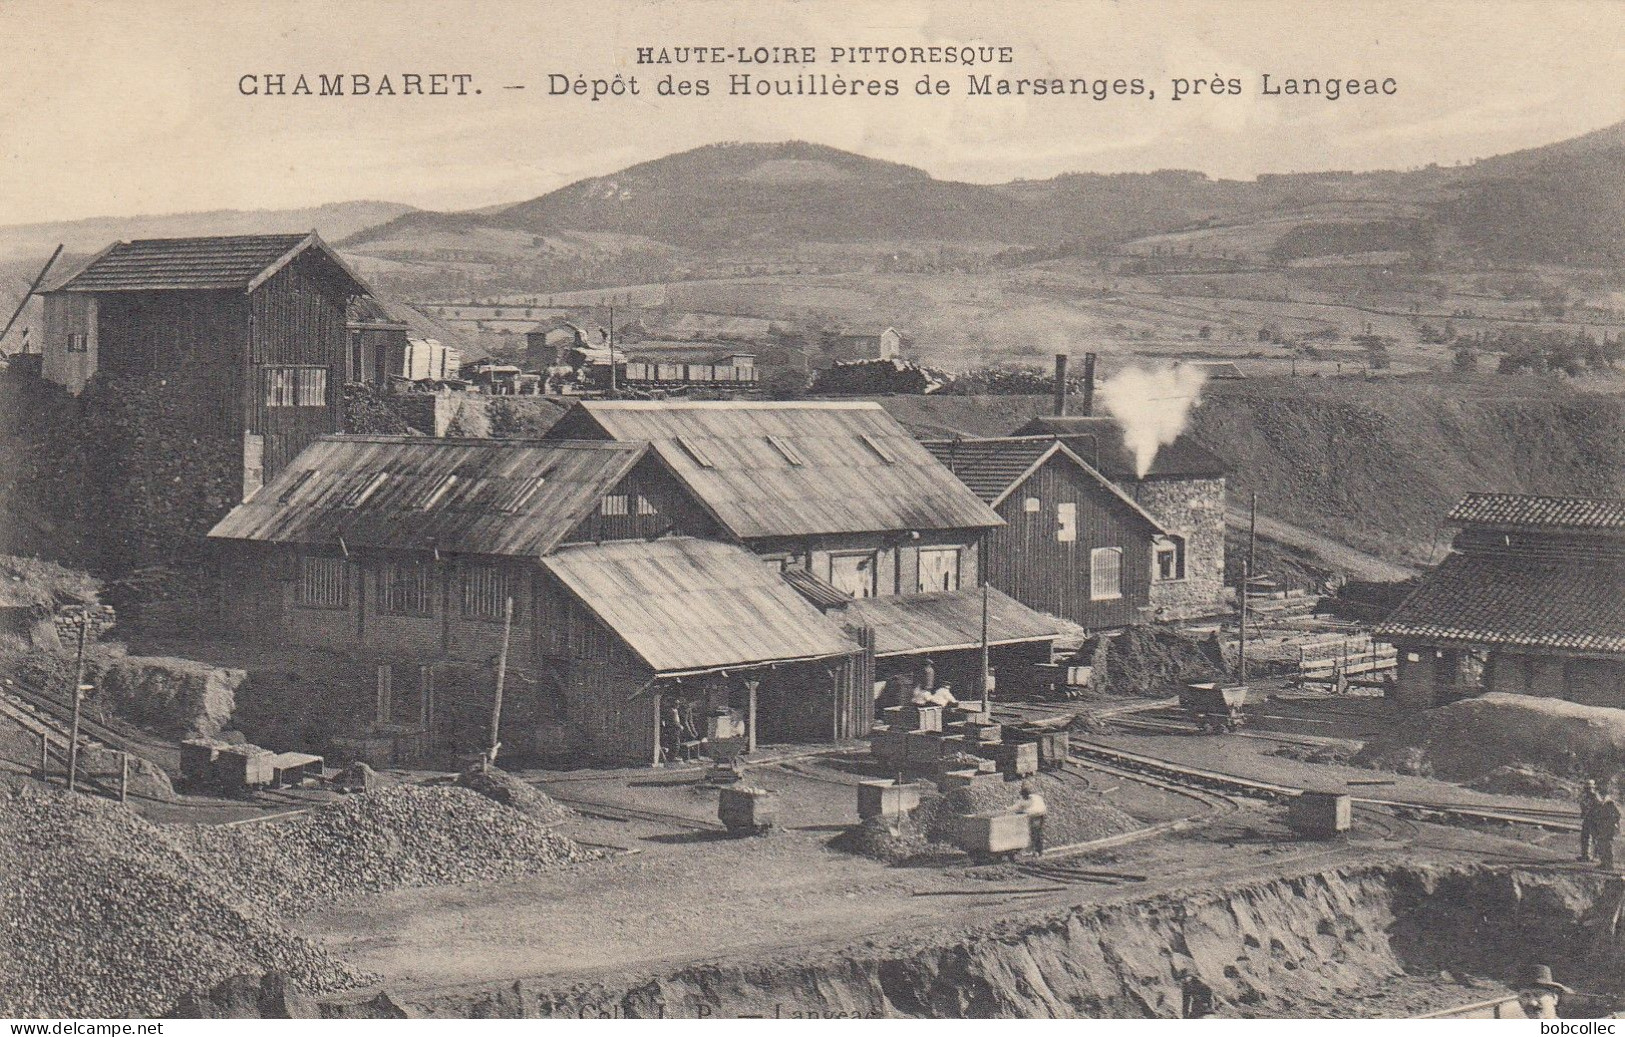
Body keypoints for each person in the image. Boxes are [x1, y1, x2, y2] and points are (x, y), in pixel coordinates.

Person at [1014, 781, 1048, 856]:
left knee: (1034, 832)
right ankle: (1039, 851)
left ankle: (1035, 851)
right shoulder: (1037, 797)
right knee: (1038, 832)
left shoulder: (1030, 799)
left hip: (1036, 815)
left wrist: (1021, 812)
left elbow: (1023, 808)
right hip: (1041, 814)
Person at [1594, 791, 1621, 871]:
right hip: (1603, 828)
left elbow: (1617, 815)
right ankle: (1604, 863)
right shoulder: (1603, 805)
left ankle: (1609, 864)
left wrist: (1612, 824)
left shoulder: (1609, 804)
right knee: (1601, 845)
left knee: (1607, 846)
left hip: (1608, 829)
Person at [1580, 779, 1605, 862]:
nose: (1588, 789)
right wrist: (1583, 811)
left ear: (1593, 788)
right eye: (1587, 788)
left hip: (1595, 818)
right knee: (1585, 836)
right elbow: (1583, 806)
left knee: (1596, 838)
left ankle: (1598, 857)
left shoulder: (1595, 796)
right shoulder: (1586, 796)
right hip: (1588, 818)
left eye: (1590, 788)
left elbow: (1601, 806)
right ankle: (1585, 855)